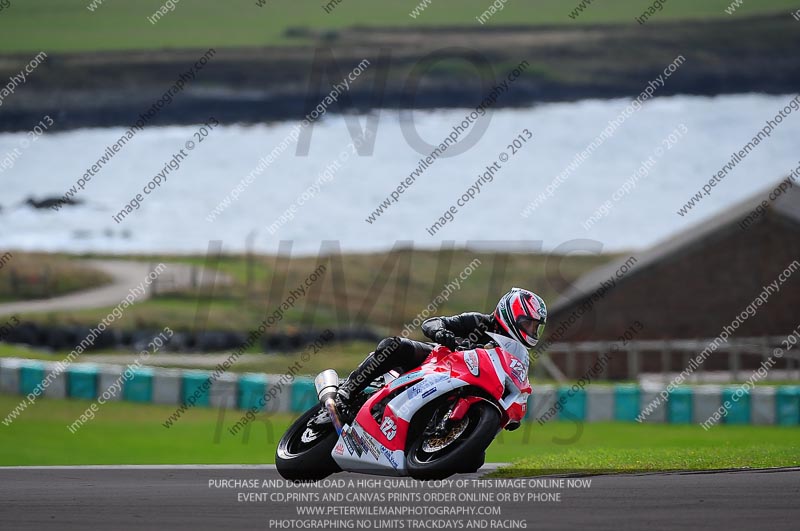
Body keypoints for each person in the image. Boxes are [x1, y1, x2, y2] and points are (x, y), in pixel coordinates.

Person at [336, 287, 547, 415]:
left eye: (535, 327)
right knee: (394, 346)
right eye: (528, 323)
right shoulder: (479, 322)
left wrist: (514, 411)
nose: (531, 330)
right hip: (438, 364)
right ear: (511, 314)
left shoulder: (517, 354)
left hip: (471, 388)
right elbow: (433, 322)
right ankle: (347, 391)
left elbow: (519, 384)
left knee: (472, 462)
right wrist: (445, 335)